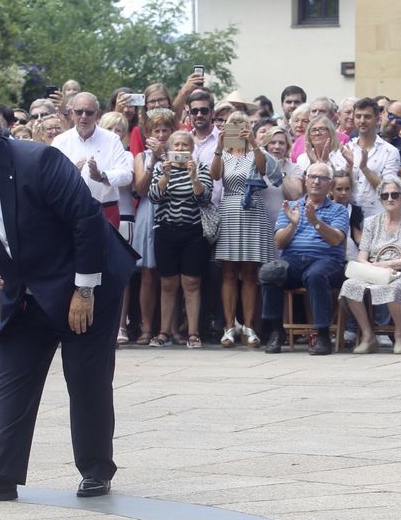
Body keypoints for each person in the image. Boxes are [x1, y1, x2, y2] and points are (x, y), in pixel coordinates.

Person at [0, 96, 137, 503]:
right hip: (27, 295)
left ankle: (96, 470)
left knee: (86, 379)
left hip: (86, 282)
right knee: (10, 378)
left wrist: (84, 290)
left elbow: (85, 220)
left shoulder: (38, 161)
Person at [262, 162, 349, 355]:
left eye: (323, 178)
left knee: (316, 274)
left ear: (330, 184)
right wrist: (293, 225)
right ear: (305, 180)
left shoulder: (338, 210)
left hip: (327, 260)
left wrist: (316, 222)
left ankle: (322, 335)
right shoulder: (291, 207)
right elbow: (279, 243)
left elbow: (336, 240)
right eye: (312, 177)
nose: (317, 181)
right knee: (270, 272)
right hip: (293, 260)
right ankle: (276, 331)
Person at [212, 113, 281, 347]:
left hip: (253, 209)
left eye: (242, 125)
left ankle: (250, 326)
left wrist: (254, 142)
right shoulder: (225, 154)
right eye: (234, 126)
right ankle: (229, 326)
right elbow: (214, 175)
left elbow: (262, 170)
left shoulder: (255, 152)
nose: (238, 130)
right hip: (230, 207)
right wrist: (219, 147)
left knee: (251, 273)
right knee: (229, 272)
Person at [340, 175, 401, 354]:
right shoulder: (371, 222)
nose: (390, 199)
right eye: (385, 196)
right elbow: (362, 257)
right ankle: (368, 336)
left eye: (394, 194)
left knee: (392, 287)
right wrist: (377, 267)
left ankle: (399, 334)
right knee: (349, 285)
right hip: (375, 271)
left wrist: (388, 264)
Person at [146, 131, 213, 349]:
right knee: (167, 283)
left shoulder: (201, 168)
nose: (181, 148)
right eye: (177, 144)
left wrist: (193, 177)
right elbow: (154, 197)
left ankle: (193, 333)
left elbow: (204, 197)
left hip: (193, 232)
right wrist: (165, 176)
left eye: (185, 145)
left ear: (192, 148)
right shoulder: (161, 168)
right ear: (170, 148)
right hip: (166, 231)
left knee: (191, 282)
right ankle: (164, 331)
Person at [51, 93, 133, 229]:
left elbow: (126, 175)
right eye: (79, 112)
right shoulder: (60, 141)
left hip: (106, 210)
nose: (83, 116)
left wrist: (102, 176)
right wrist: (71, 174)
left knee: (107, 250)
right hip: (72, 210)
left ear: (97, 114)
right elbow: (51, 179)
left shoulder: (112, 139)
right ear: (71, 113)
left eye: (89, 112)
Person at [131, 108, 173, 345]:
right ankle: (146, 327)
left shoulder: (179, 153)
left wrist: (166, 156)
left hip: (173, 212)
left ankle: (169, 328)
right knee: (148, 272)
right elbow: (140, 189)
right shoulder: (141, 157)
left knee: (170, 275)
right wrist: (153, 161)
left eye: (165, 130)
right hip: (149, 211)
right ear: (148, 133)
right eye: (156, 130)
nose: (161, 135)